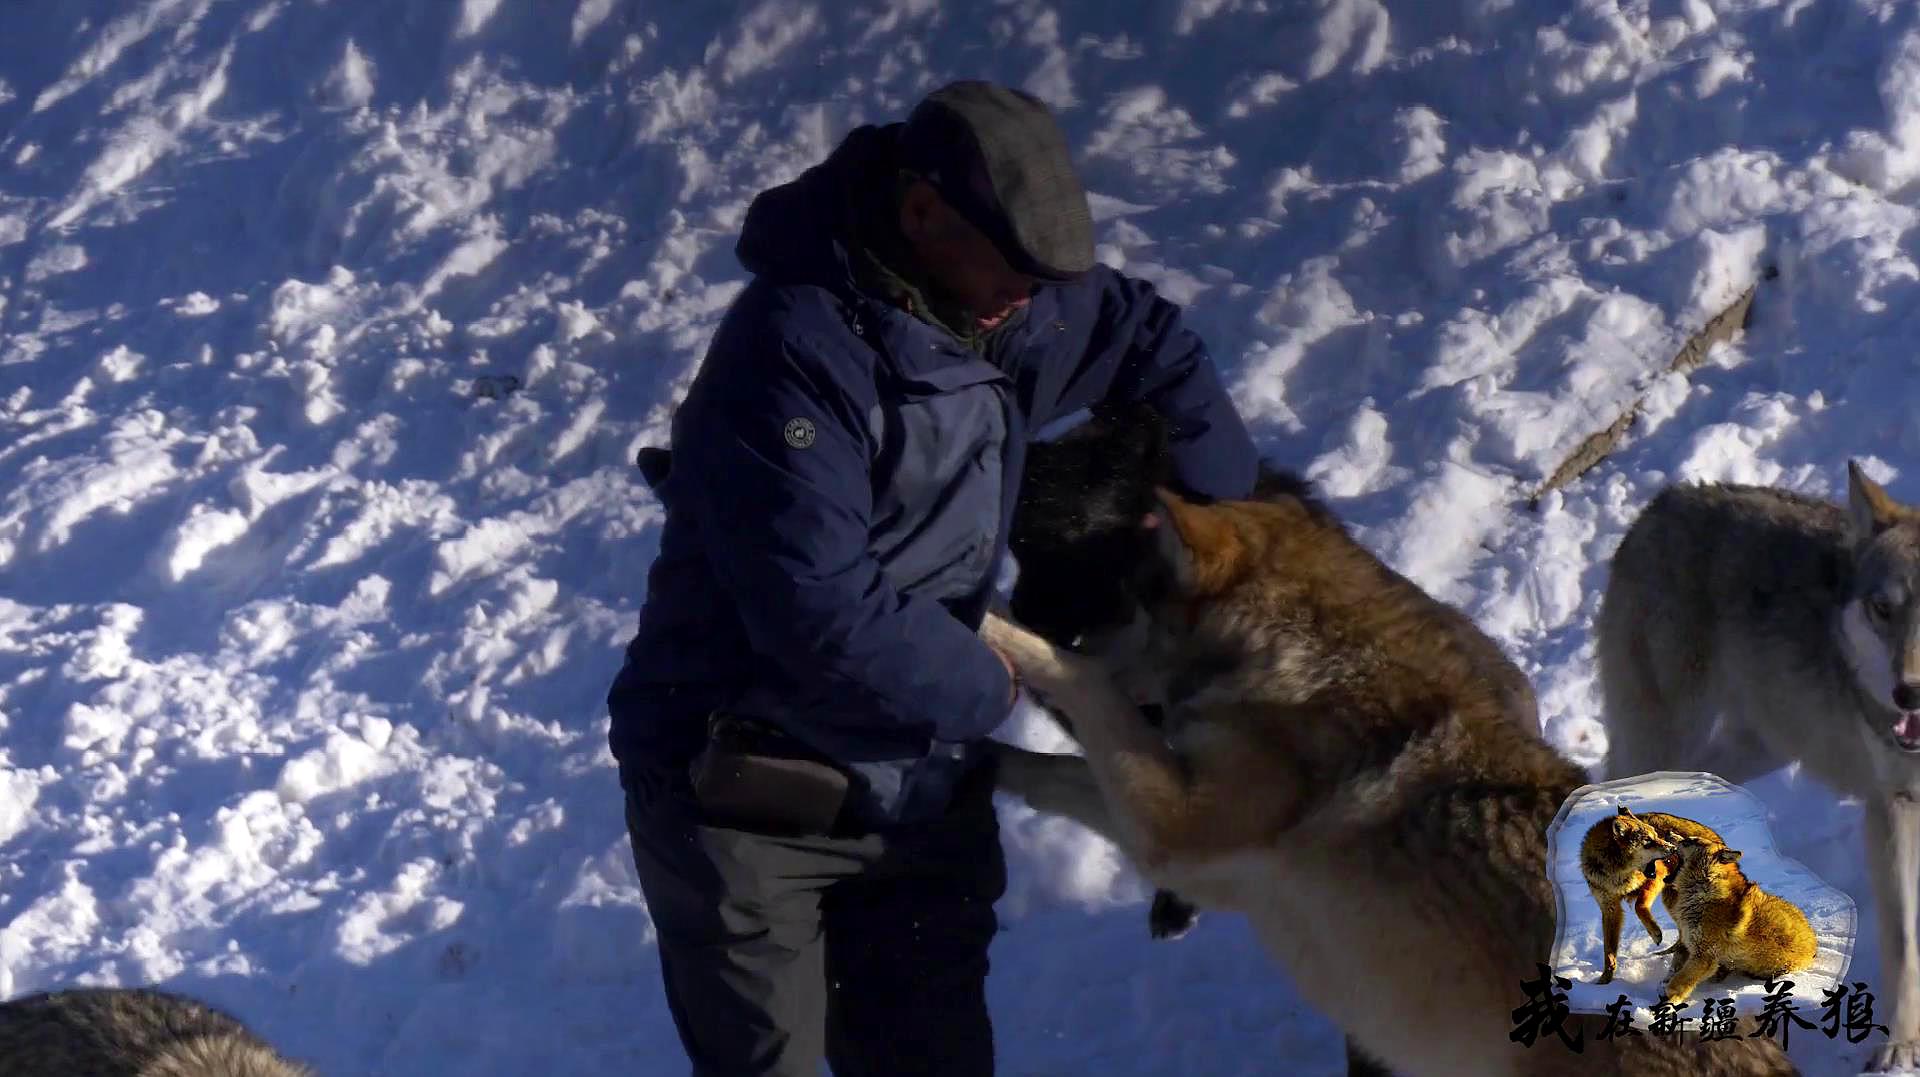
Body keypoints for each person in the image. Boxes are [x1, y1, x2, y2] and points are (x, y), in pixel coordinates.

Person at [608, 79, 1259, 1076]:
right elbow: (822, 611)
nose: (1029, 298)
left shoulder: (1013, 297)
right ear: (920, 212)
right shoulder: (791, 354)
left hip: (914, 786)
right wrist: (997, 684)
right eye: (1014, 270)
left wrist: (1224, 533)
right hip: (741, 792)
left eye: (1044, 279)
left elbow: (1149, 341)